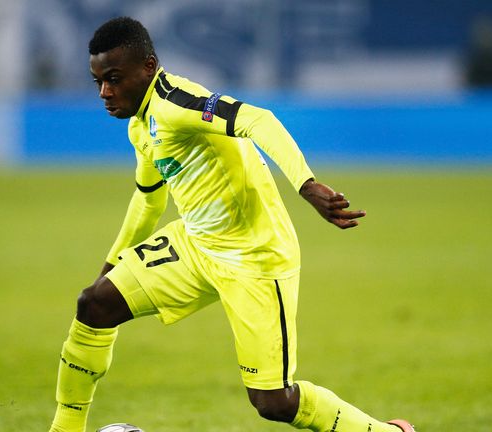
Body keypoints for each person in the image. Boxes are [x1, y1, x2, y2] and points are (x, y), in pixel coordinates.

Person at [49, 17, 415, 432]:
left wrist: (306, 184)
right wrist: (112, 265)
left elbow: (258, 120)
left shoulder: (176, 102)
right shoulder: (141, 124)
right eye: (98, 80)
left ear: (148, 67)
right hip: (196, 246)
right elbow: (150, 199)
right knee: (94, 304)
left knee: (274, 402)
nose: (105, 92)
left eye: (114, 79)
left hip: (254, 258)